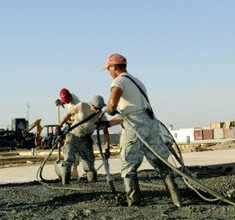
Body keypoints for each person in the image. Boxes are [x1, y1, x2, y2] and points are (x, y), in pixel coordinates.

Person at [103, 53, 182, 207]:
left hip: (135, 126)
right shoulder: (137, 82)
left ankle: (134, 203)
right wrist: (108, 124)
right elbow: (132, 113)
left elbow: (112, 105)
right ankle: (177, 200)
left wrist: (110, 110)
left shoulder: (119, 81)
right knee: (161, 162)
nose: (109, 72)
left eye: (109, 69)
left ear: (114, 67)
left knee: (128, 165)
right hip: (150, 123)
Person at [58, 95, 110, 185]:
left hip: (85, 139)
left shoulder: (101, 116)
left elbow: (106, 132)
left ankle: (92, 182)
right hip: (72, 136)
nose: (98, 110)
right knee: (69, 158)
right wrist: (59, 126)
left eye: (100, 108)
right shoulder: (82, 106)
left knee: (89, 162)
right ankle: (65, 182)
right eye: (96, 108)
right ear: (91, 105)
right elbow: (69, 114)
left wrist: (107, 147)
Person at [59, 88, 82, 178]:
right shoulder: (69, 98)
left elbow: (74, 118)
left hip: (78, 124)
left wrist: (67, 124)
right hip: (72, 121)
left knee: (73, 146)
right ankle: (72, 168)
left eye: (67, 101)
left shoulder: (75, 104)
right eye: (65, 101)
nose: (66, 102)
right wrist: (62, 102)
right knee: (69, 146)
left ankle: (74, 169)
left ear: (70, 97)